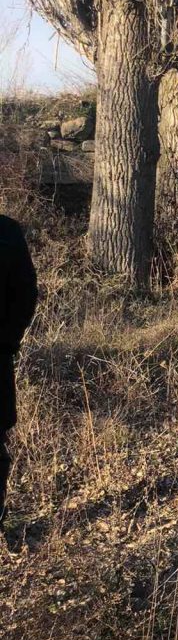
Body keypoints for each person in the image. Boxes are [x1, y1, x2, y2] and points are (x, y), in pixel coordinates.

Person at [0, 214, 38, 529]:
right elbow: (25, 295)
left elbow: (26, 295)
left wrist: (6, 342)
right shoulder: (8, 231)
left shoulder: (7, 232)